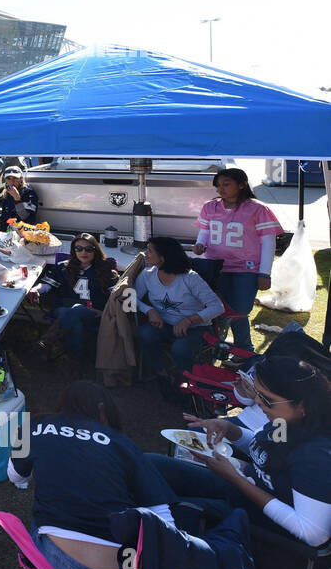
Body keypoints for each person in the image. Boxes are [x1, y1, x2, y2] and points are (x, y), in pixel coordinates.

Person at [8, 381, 177, 569]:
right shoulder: (124, 444)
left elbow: (15, 476)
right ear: (101, 409)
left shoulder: (35, 425)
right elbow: (164, 520)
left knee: (41, 516)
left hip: (56, 561)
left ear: (63, 404)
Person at [150, 356, 331, 549]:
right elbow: (262, 449)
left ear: (302, 406)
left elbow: (314, 534)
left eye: (267, 399)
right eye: (257, 394)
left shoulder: (315, 457)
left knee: (163, 507)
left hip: (255, 523)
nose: (258, 403)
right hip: (239, 490)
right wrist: (230, 429)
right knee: (150, 465)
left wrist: (237, 479)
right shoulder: (287, 422)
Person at [191, 167, 282, 351]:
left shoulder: (258, 209)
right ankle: (214, 347)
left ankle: (244, 350)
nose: (220, 189)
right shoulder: (210, 206)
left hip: (246, 270)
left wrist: (265, 273)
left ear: (242, 184)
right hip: (215, 267)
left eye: (226, 184)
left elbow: (268, 243)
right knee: (214, 310)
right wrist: (200, 244)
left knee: (239, 312)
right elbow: (205, 231)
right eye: (218, 185)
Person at [135, 236, 225, 379]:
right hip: (164, 324)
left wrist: (189, 320)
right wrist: (149, 310)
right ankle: (161, 374)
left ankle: (188, 383)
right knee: (145, 333)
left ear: (163, 257)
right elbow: (133, 298)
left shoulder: (190, 278)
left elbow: (217, 307)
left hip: (196, 328)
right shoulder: (147, 274)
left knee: (180, 348)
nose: (146, 254)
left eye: (150, 251)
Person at [34, 233, 117, 364]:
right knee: (75, 322)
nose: (83, 252)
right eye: (79, 249)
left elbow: (116, 298)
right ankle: (76, 363)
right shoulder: (64, 267)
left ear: (96, 250)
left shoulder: (104, 270)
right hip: (63, 308)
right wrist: (35, 290)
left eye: (89, 249)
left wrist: (104, 313)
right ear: (73, 250)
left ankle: (48, 340)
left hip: (92, 312)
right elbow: (46, 285)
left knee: (78, 311)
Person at [0, 166, 40, 230]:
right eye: (8, 178)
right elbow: (4, 214)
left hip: (23, 230)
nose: (12, 181)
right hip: (7, 228)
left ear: (21, 179)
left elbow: (27, 219)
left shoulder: (29, 193)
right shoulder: (7, 193)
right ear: (5, 180)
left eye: (15, 178)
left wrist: (17, 199)